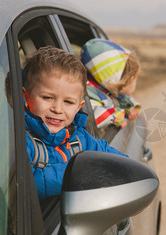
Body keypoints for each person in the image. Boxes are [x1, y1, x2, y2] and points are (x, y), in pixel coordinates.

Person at [22, 46, 127, 200]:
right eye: (47, 98)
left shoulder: (81, 139)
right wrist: (79, 172)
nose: (58, 109)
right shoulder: (21, 141)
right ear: (26, 96)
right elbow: (24, 186)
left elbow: (121, 164)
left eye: (68, 102)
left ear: (79, 107)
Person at [81, 38, 141, 130]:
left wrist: (130, 107)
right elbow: (91, 120)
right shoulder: (90, 94)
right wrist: (117, 116)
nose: (136, 82)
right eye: (135, 79)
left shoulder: (104, 89)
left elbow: (120, 97)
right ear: (122, 82)